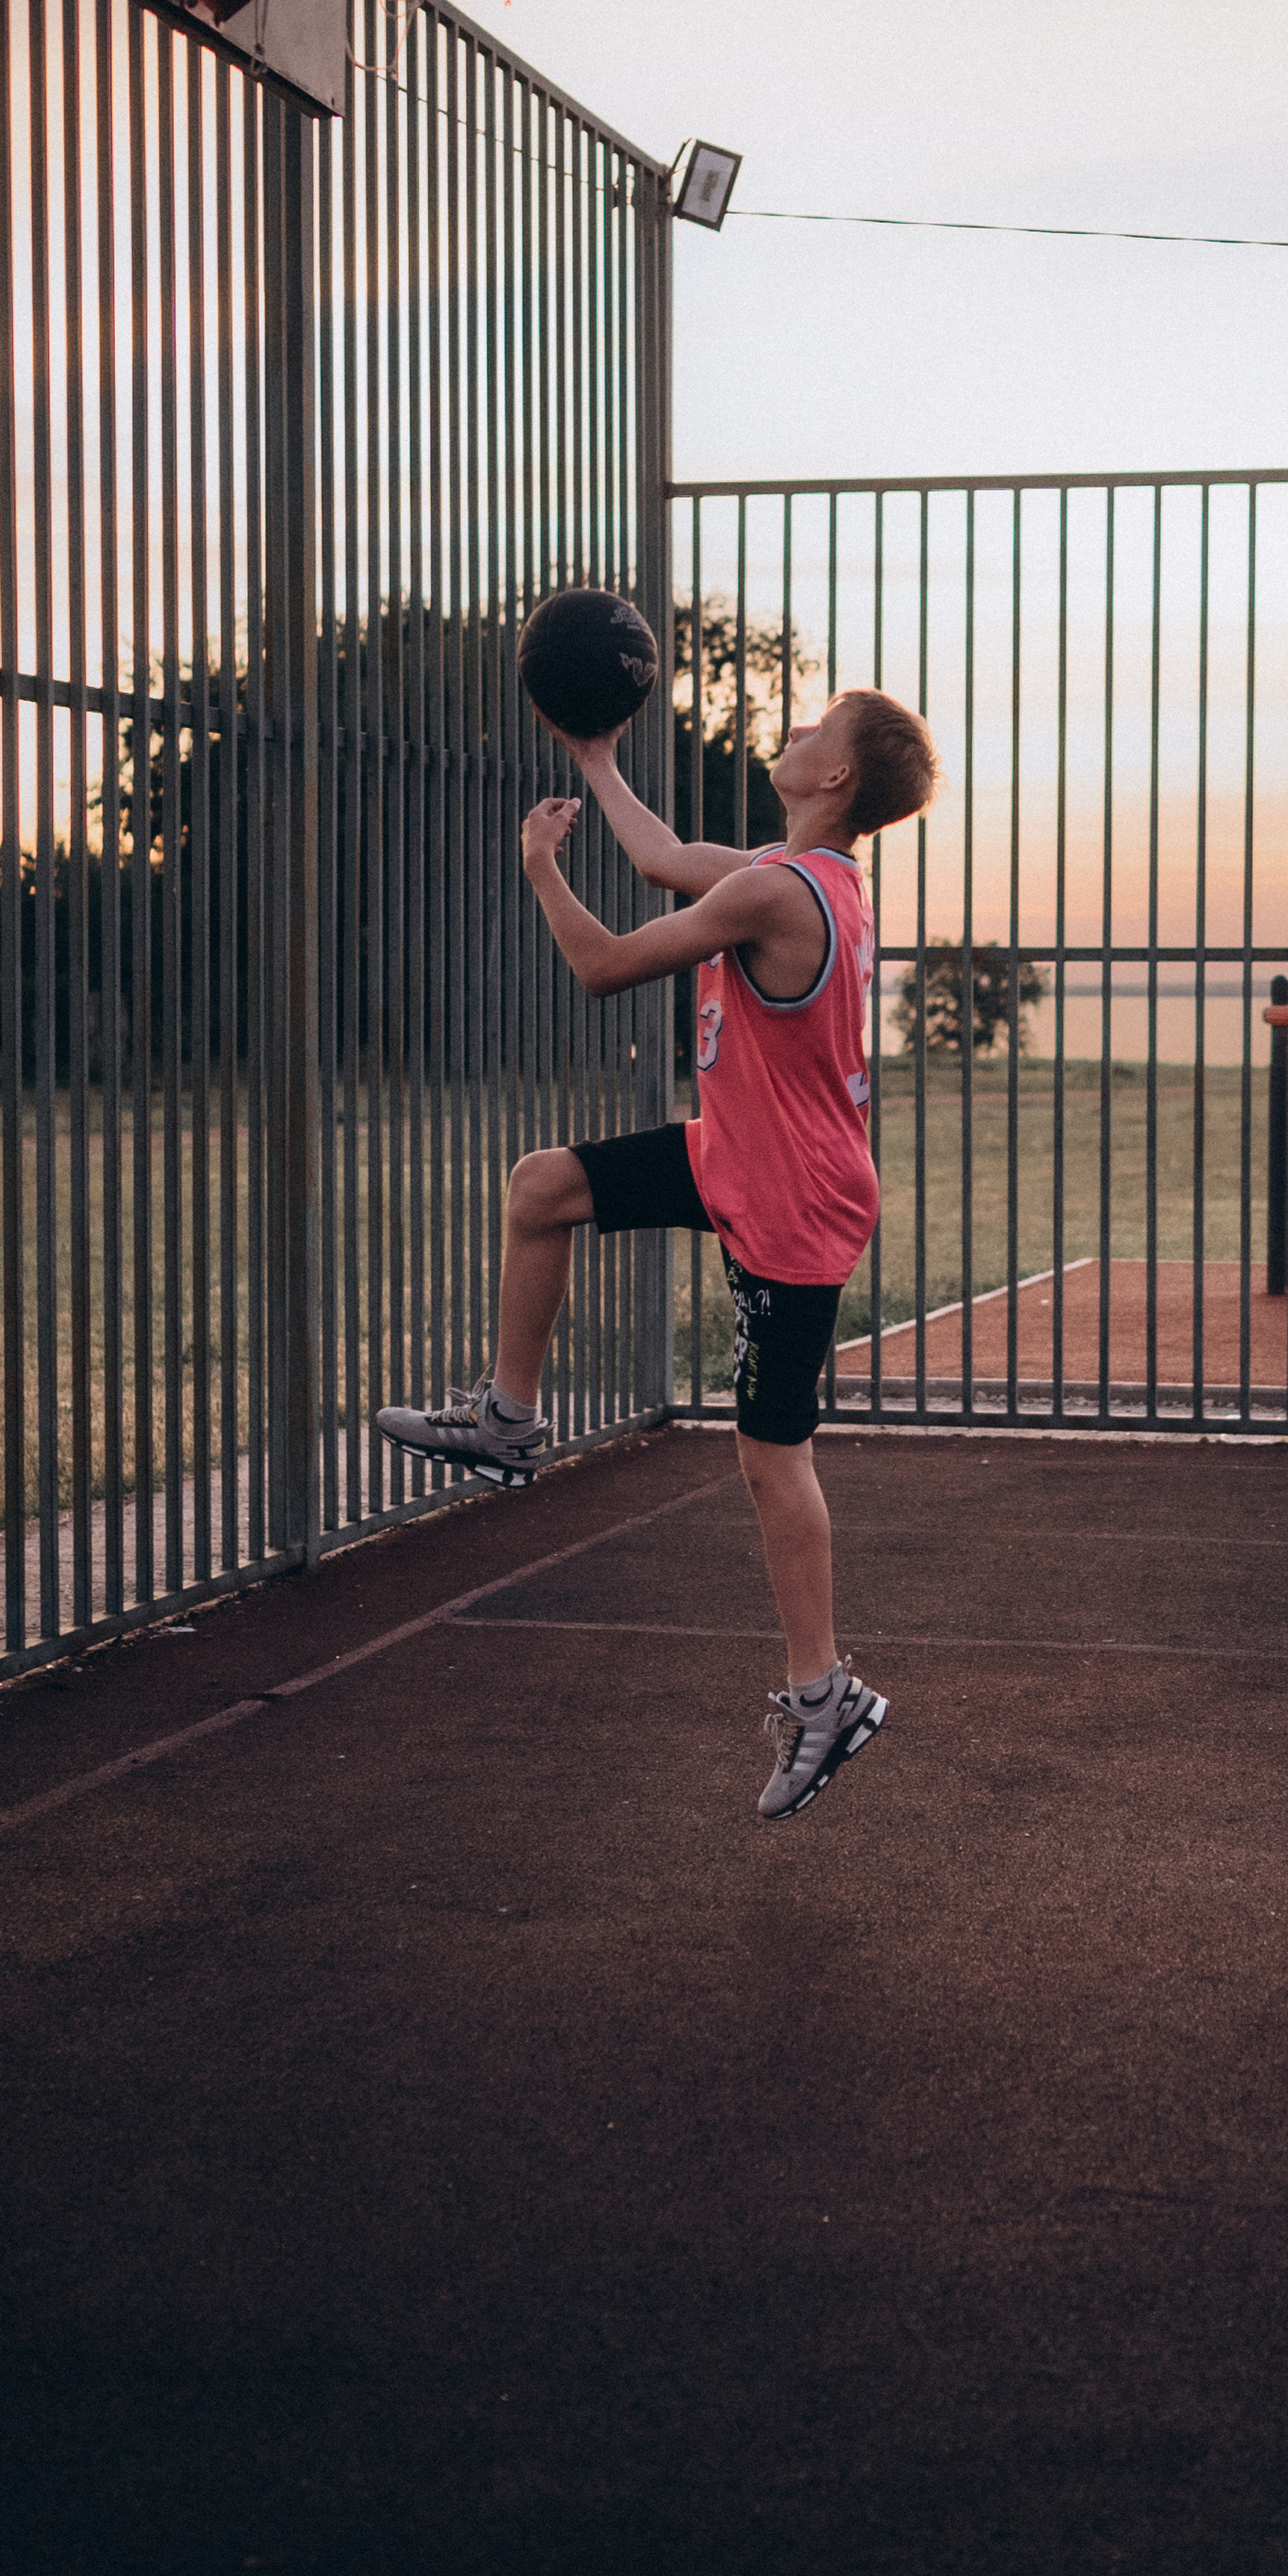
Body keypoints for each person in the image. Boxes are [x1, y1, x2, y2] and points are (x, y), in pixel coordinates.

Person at [378, 686, 941, 1822]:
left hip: (794, 1202)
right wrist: (596, 757)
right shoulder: (799, 875)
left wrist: (541, 866)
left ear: (837, 779)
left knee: (769, 1454)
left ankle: (824, 1690)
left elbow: (601, 966)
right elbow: (667, 854)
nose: (794, 733)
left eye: (814, 730)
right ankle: (509, 1417)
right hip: (731, 1151)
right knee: (542, 1186)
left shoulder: (778, 890)